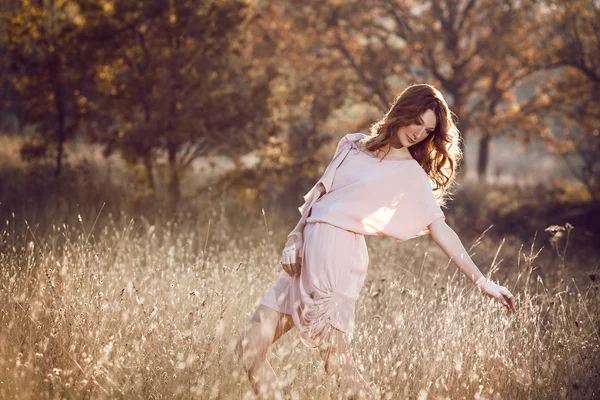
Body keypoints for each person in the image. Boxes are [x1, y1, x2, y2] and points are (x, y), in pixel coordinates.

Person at [235, 84, 516, 399]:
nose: (419, 133)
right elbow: (320, 197)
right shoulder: (352, 145)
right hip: (303, 256)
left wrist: (481, 281)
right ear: (402, 112)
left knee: (337, 365)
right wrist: (295, 236)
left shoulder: (409, 172)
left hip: (337, 259)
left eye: (428, 130)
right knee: (249, 348)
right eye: (417, 122)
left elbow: (440, 229)